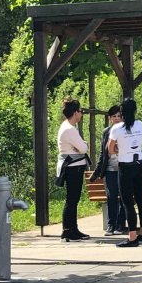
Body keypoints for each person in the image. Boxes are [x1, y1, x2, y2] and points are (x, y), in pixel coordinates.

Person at [108, 98, 142, 248]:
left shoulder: (117, 128)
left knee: (127, 201)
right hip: (140, 163)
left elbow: (110, 149)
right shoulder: (140, 124)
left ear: (122, 112)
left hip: (126, 165)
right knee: (141, 198)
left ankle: (132, 236)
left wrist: (120, 150)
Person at [56, 97, 91, 242]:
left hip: (73, 167)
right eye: (80, 111)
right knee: (72, 199)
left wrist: (80, 145)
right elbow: (83, 148)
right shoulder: (69, 129)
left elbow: (80, 147)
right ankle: (67, 230)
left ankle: (73, 229)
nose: (81, 114)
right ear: (75, 112)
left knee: (73, 199)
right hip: (73, 168)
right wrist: (83, 144)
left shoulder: (67, 127)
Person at [90, 105, 127, 236]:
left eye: (119, 116)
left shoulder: (128, 130)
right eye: (114, 116)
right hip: (110, 169)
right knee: (111, 197)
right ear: (110, 118)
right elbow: (103, 153)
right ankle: (111, 224)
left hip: (124, 168)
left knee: (124, 197)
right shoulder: (107, 132)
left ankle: (121, 224)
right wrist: (97, 172)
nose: (116, 118)